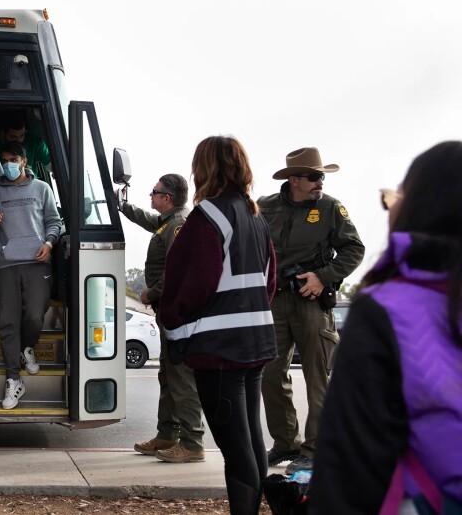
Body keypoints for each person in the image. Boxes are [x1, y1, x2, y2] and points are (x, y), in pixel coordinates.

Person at [308, 141, 462, 514]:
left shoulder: (388, 309)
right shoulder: (273, 208)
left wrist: (322, 276)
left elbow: (347, 469)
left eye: (393, 200)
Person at [157, 136, 277, 515]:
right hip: (255, 340)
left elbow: (192, 284)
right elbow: (269, 281)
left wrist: (172, 323)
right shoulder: (255, 216)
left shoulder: (208, 215)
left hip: (219, 348)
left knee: (234, 446)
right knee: (251, 438)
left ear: (204, 168)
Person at [257, 147, 365, 474]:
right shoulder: (264, 207)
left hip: (312, 302)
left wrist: (323, 276)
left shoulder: (331, 208)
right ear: (294, 179)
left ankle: (315, 449)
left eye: (321, 176)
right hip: (274, 300)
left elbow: (353, 249)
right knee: (271, 375)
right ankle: (285, 443)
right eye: (315, 176)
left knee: (317, 378)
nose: (321, 181)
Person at [117, 175, 206, 463]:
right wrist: (123, 207)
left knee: (182, 378)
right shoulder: (169, 222)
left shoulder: (178, 225)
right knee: (168, 376)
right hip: (168, 309)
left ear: (166, 198)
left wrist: (151, 293)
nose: (150, 196)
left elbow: (177, 269)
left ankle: (193, 443)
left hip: (177, 310)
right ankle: (167, 435)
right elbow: (147, 220)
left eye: (154, 192)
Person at [0, 140, 62, 409]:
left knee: (35, 315)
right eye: (5, 161)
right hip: (7, 266)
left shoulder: (42, 189)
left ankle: (28, 348)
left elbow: (55, 222)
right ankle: (14, 379)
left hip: (37, 263)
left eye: (13, 160)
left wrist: (49, 244)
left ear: (24, 161)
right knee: (7, 323)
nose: (9, 166)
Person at [0, 111, 51, 184]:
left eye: (22, 136)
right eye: (13, 137)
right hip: (0, 193)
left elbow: (51, 165)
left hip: (30, 191)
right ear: (3, 134)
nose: (19, 140)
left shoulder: (34, 141)